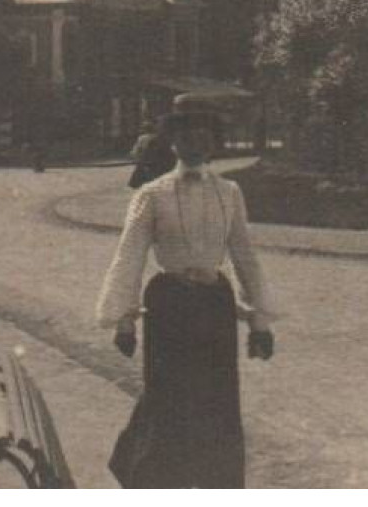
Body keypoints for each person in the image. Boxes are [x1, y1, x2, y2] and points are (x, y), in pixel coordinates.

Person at [94, 118, 277, 489]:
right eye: (185, 135)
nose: (195, 142)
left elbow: (244, 255)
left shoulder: (230, 192)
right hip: (169, 306)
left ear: (212, 141)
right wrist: (124, 321)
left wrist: (260, 322)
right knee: (169, 398)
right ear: (172, 143)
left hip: (214, 306)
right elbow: (130, 256)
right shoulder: (151, 194)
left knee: (217, 400)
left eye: (202, 134)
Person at [126, 116, 177, 189]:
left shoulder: (146, 139)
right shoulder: (160, 138)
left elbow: (137, 151)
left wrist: (133, 155)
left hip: (151, 164)